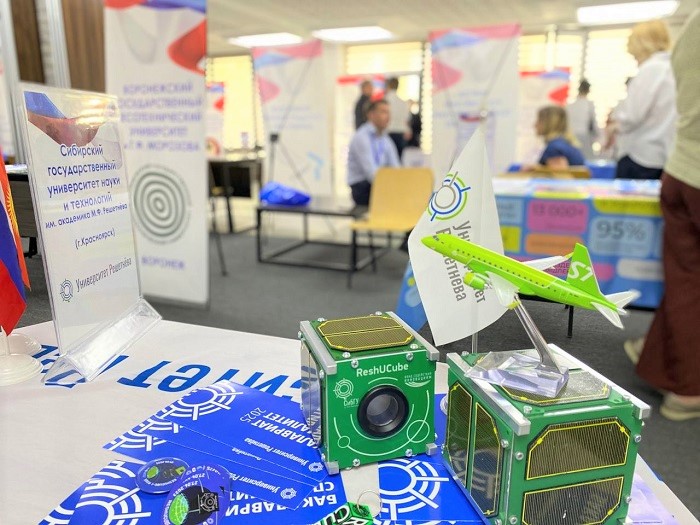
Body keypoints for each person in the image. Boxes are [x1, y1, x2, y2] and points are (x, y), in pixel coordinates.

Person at [624, 10, 700, 421]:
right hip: (674, 161)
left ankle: (662, 358)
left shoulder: (692, 26)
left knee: (686, 277)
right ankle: (675, 371)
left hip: (682, 165)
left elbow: (634, 116)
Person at [612, 20, 676, 179]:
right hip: (663, 156)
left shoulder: (651, 69)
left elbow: (632, 116)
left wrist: (614, 125)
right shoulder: (672, 68)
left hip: (640, 157)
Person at [346, 99, 400, 206]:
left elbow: (396, 167)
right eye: (383, 112)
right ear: (371, 115)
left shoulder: (385, 139)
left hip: (379, 184)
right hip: (362, 187)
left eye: (388, 112)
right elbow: (370, 173)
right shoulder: (361, 137)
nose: (388, 117)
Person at [566, 79, 598, 160]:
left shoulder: (569, 106)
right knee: (585, 160)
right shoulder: (589, 105)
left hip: (571, 137)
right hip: (584, 137)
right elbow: (594, 124)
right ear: (588, 91)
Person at [384, 77, 412, 160]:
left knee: (386, 160)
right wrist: (408, 130)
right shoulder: (403, 102)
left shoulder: (384, 101)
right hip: (400, 133)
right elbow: (407, 120)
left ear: (388, 86)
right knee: (398, 160)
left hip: (387, 132)